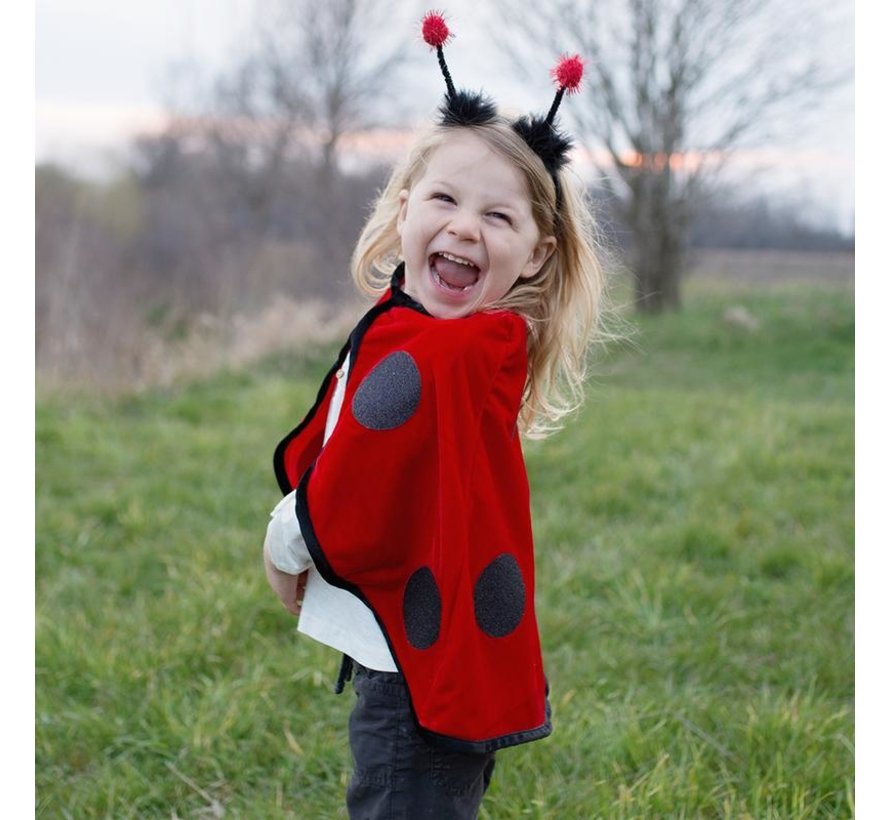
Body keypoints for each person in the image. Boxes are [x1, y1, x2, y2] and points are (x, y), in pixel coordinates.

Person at [263, 12, 607, 819]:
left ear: (536, 253)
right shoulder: (437, 332)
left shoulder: (452, 353)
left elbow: (358, 480)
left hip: (418, 679)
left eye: (498, 216)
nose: (463, 225)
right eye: (445, 198)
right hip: (428, 658)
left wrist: (287, 543)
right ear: (406, 205)